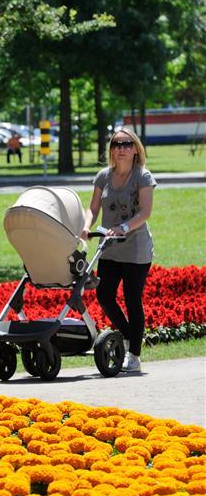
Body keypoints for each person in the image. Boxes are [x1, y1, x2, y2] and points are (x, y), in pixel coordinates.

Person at [81, 129, 155, 373]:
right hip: (110, 248)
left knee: (133, 299)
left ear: (135, 149)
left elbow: (144, 213)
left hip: (136, 249)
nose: (121, 148)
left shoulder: (142, 176)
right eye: (116, 144)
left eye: (126, 144)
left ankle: (134, 355)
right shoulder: (103, 176)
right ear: (111, 149)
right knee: (104, 295)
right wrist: (85, 226)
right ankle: (128, 336)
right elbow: (92, 208)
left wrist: (122, 227)